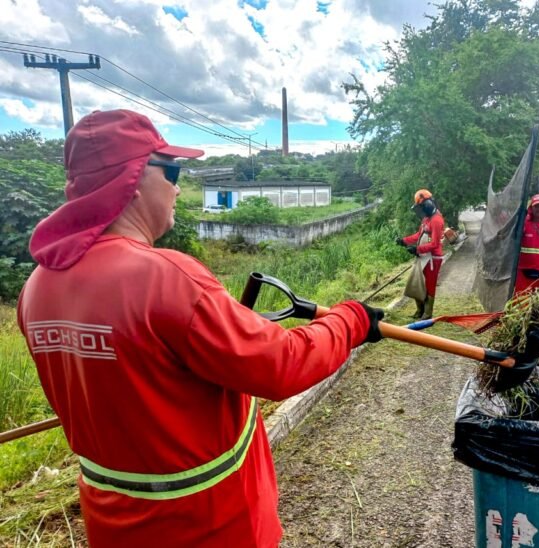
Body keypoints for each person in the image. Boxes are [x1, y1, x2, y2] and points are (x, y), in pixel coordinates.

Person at [16, 109, 384, 548]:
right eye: (170, 170)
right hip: (210, 526)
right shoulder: (165, 278)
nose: (176, 186)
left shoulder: (37, 288)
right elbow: (283, 364)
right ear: (130, 180)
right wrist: (352, 319)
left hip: (112, 525)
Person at [396, 189, 445, 319]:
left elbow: (434, 244)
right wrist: (404, 241)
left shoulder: (436, 220)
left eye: (422, 206)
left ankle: (428, 313)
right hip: (423, 255)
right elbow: (419, 235)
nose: (422, 209)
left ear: (428, 204)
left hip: (433, 258)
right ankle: (420, 310)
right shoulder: (426, 220)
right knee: (417, 282)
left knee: (429, 284)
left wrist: (417, 249)